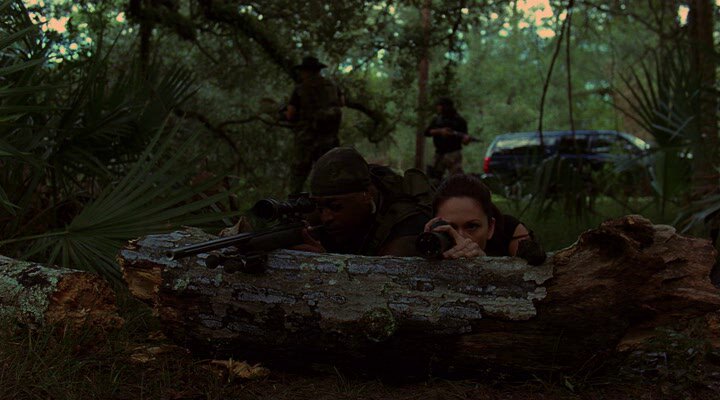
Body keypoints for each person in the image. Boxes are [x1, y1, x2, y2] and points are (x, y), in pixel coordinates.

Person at [293, 147, 432, 256]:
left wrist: (324, 262)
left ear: (367, 196)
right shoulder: (325, 207)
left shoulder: (405, 224)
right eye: (320, 208)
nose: (326, 218)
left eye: (336, 207)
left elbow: (382, 280)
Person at [425, 174, 545, 263]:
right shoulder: (426, 238)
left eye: (472, 226)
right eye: (450, 228)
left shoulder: (510, 231)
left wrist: (484, 264)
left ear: (490, 228)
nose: (460, 239)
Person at [285, 56, 344, 193]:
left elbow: (290, 114)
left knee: (298, 175)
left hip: (306, 140)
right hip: (329, 140)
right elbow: (342, 103)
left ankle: (294, 203)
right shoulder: (332, 86)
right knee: (328, 174)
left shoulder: (300, 89)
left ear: (306, 71)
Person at [424, 97, 471, 181]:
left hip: (453, 153)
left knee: (456, 179)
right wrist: (440, 131)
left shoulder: (459, 121)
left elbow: (464, 139)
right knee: (433, 178)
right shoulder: (437, 119)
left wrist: (466, 140)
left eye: (440, 106)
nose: (438, 108)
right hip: (439, 153)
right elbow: (427, 132)